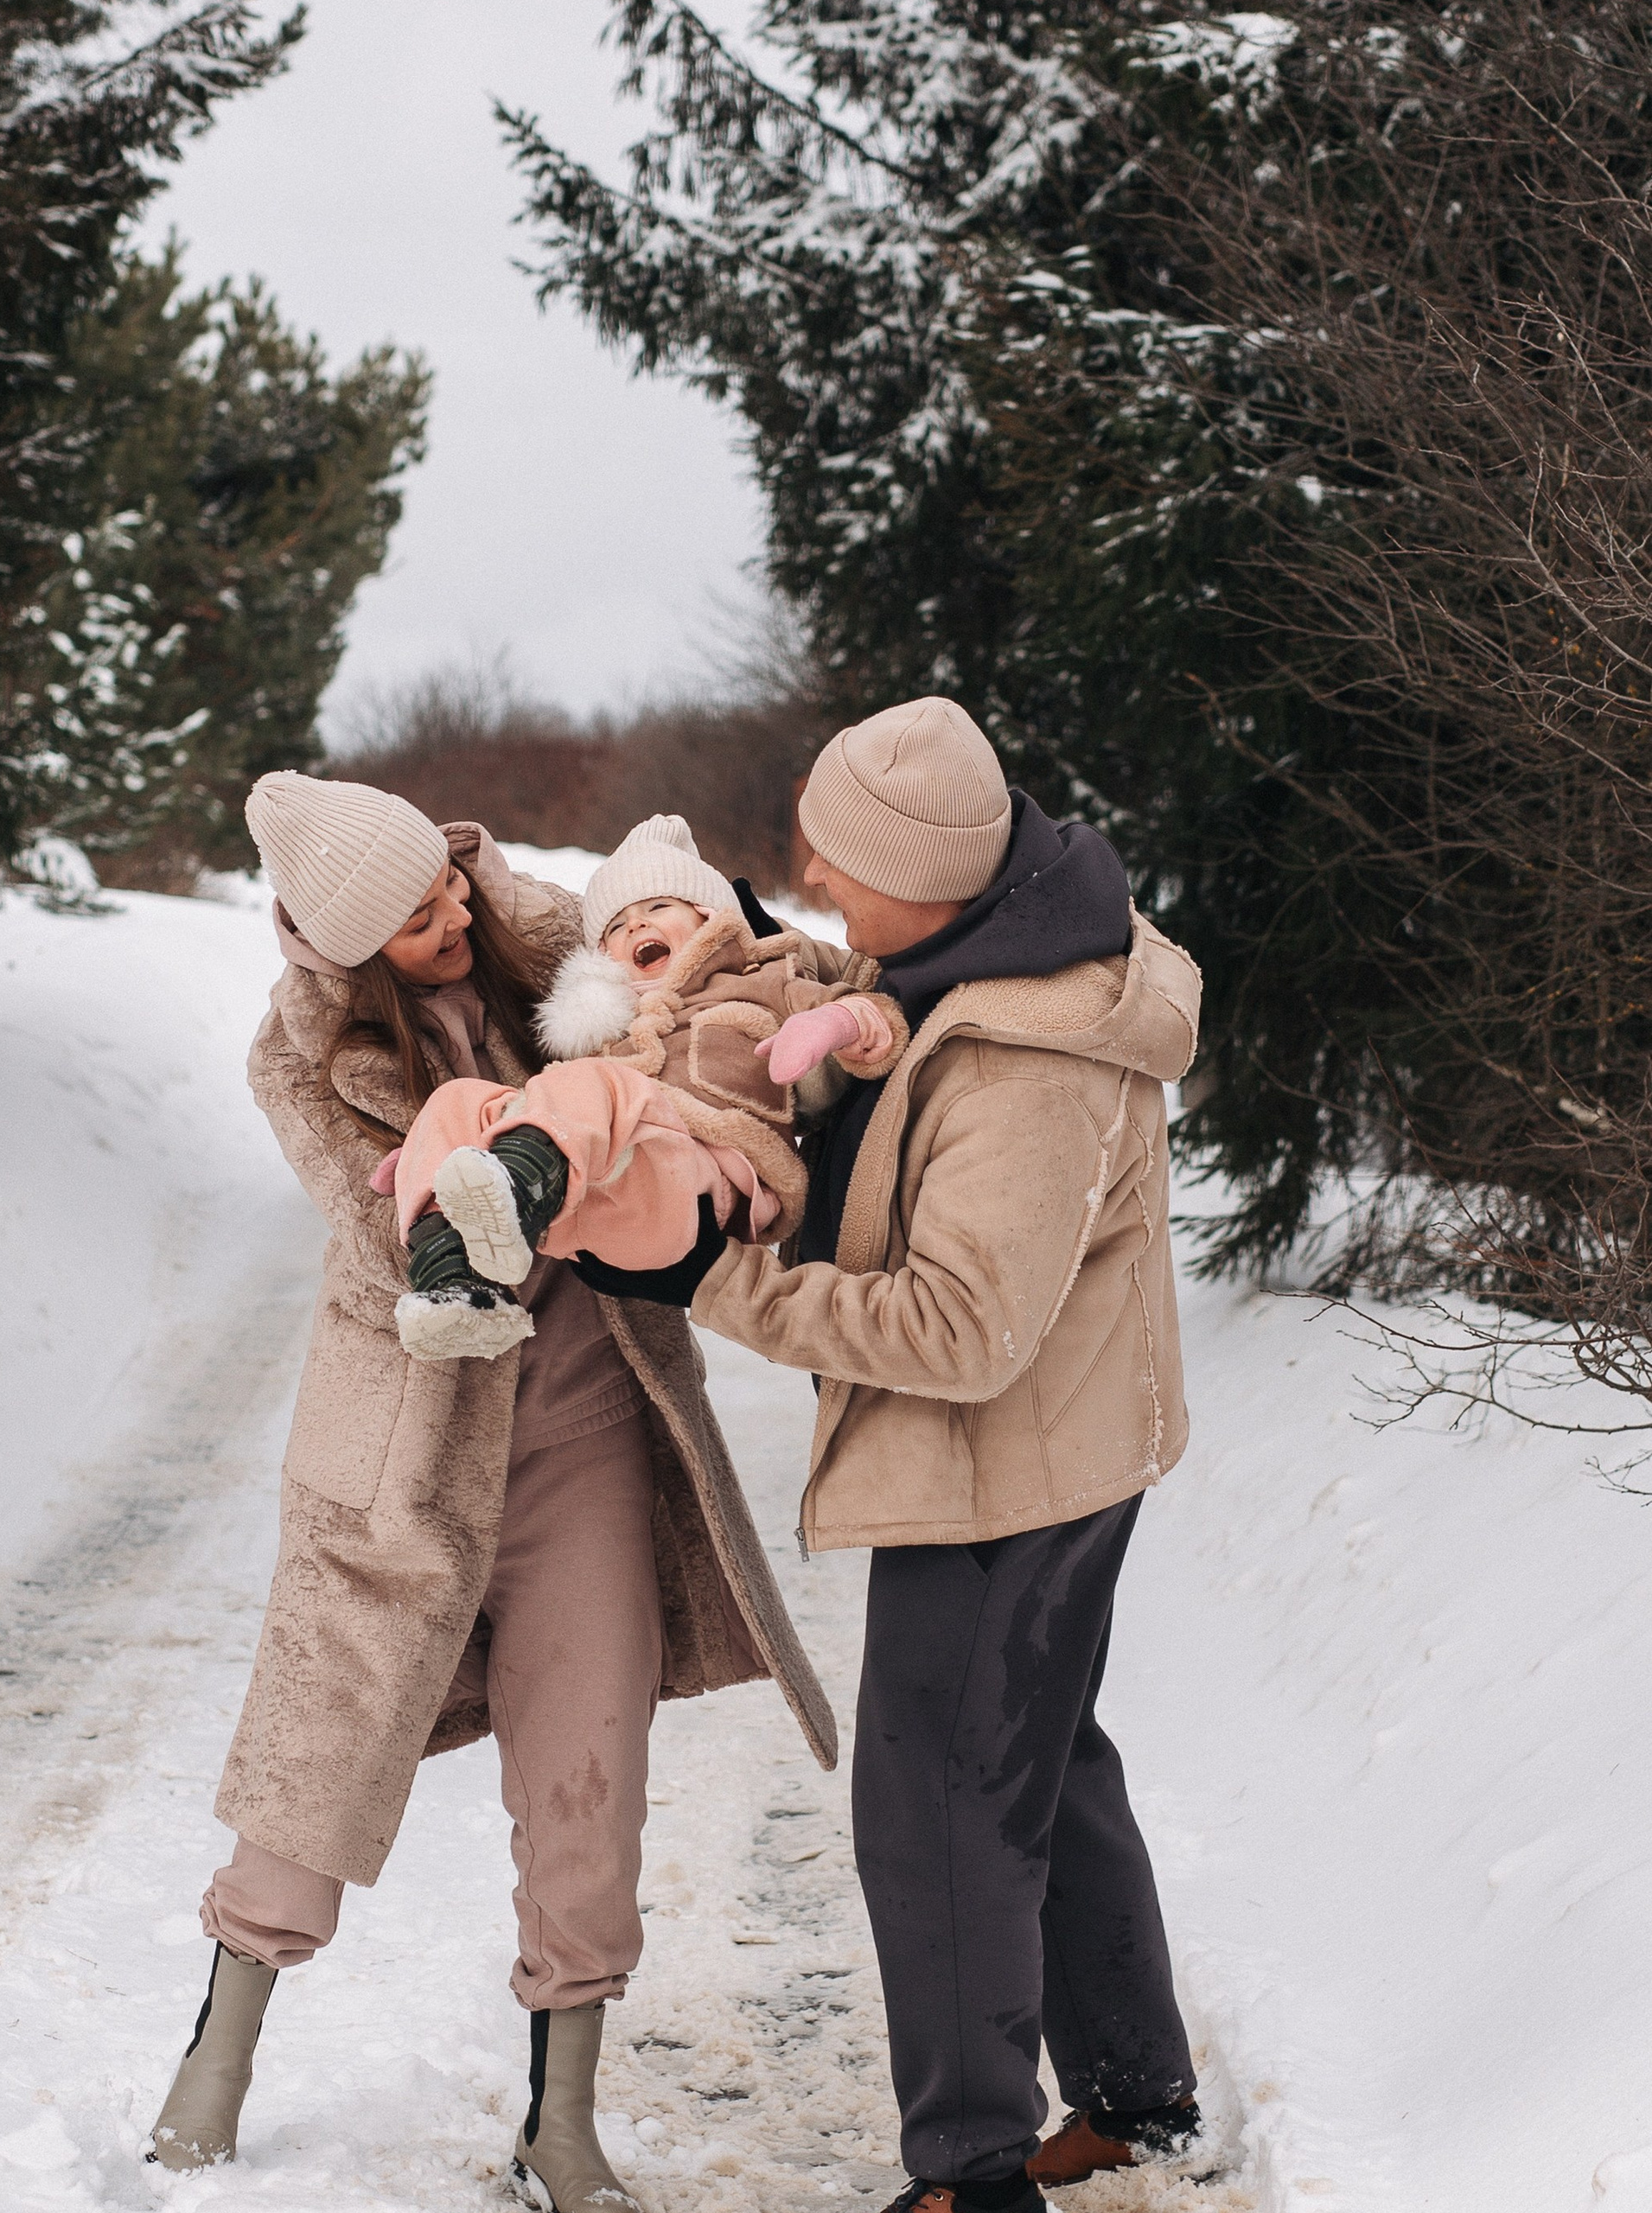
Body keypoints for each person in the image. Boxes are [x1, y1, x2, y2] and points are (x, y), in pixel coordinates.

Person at [145, 772, 837, 2206]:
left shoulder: (530, 935)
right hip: (404, 1450)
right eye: (411, 918)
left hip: (584, 1426)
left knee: (591, 1771)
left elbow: (684, 957)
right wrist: (490, 1165)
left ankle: (561, 2119)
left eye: (447, 884)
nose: (450, 915)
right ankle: (213, 2064)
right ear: (340, 945)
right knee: (314, 1755)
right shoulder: (301, 1058)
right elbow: (384, 1233)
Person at [570, 698, 1207, 2213]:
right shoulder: (959, 951)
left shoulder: (1025, 1060)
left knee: (937, 1805)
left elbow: (964, 1329)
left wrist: (704, 1283)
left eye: (839, 855)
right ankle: (1136, 2099)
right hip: (1062, 1441)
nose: (810, 875)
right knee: (1040, 1761)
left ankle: (967, 2173)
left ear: (931, 871)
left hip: (1013, 1468)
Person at [379, 813, 908, 1359]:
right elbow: (562, 1106)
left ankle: (514, 1188)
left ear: (708, 918)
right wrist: (446, 1144)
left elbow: (883, 1021)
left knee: (598, 1086)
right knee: (459, 1098)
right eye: (616, 926)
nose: (635, 927)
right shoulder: (610, 1031)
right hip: (596, 1207)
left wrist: (836, 1023)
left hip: (704, 1184)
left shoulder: (764, 983)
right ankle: (456, 1287)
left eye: (658, 908)